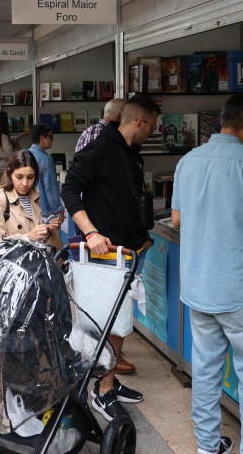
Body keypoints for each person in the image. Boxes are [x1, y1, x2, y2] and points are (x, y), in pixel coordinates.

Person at [171, 93, 243, 454]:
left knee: (204, 371)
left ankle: (207, 447)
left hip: (199, 287)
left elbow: (177, 220)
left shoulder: (188, 160)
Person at [61, 94, 160, 421]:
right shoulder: (101, 148)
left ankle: (110, 381)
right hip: (106, 255)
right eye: (152, 127)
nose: (153, 133)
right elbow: (70, 191)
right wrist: (90, 232)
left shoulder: (131, 152)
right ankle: (102, 391)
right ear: (139, 122)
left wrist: (143, 234)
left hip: (132, 250)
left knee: (119, 324)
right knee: (106, 322)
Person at [0, 150, 62, 250]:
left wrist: (47, 228)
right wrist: (28, 237)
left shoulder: (35, 194)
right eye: (19, 177)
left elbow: (33, 230)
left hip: (35, 260)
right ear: (9, 173)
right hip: (13, 263)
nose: (25, 183)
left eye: (30, 177)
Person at [28, 124, 65, 226]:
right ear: (42, 138)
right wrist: (58, 209)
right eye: (50, 137)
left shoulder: (24, 154)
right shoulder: (46, 160)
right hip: (45, 212)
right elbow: (50, 188)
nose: (52, 140)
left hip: (26, 208)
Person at [0, 110, 27, 180]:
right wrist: (20, 150)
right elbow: (10, 154)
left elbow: (7, 141)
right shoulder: (3, 136)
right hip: (3, 170)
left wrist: (19, 136)